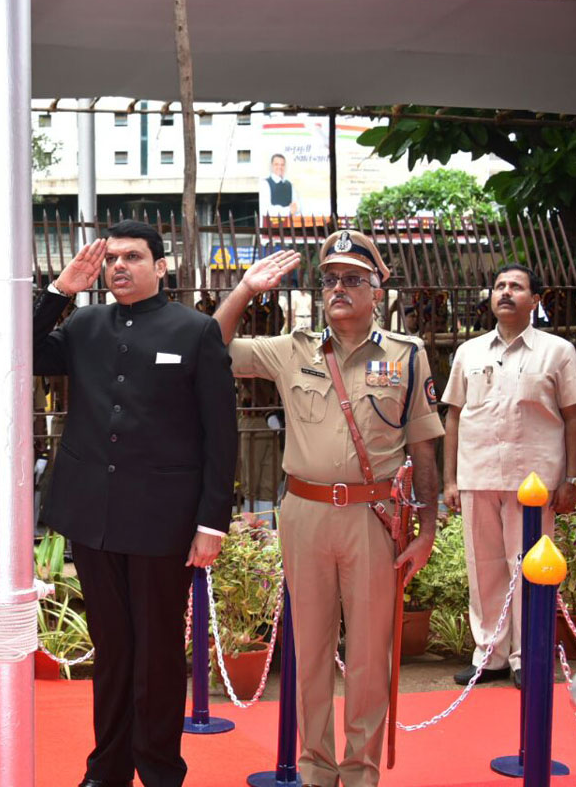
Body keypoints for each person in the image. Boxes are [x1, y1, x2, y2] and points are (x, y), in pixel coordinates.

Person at [213, 230, 443, 787]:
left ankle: (361, 773)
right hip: (306, 514)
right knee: (310, 652)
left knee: (367, 656)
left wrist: (427, 530)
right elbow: (212, 347)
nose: (338, 288)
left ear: (376, 290)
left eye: (352, 280)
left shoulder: (406, 355)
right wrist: (245, 289)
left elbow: (423, 448)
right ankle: (316, 769)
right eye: (330, 279)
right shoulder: (293, 349)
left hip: (373, 519)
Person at [33, 220, 238, 787]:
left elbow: (220, 435)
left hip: (162, 519)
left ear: (161, 266)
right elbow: (22, 350)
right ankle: (108, 768)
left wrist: (212, 522)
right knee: (113, 649)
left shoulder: (195, 331)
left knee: (158, 653)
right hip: (92, 516)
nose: (119, 266)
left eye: (133, 256)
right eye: (112, 258)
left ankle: (161, 770)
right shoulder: (85, 324)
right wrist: (60, 292)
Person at [442, 264, 576, 688]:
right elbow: (454, 416)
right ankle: (490, 656)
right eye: (499, 286)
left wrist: (572, 479)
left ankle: (527, 656)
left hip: (534, 484)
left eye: (516, 287)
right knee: (483, 568)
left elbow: (574, 417)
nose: (505, 292)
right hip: (478, 474)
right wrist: (450, 480)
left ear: (535, 299)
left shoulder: (557, 351)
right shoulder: (469, 352)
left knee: (527, 570)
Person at [259, 153, 301, 217]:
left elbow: (297, 206)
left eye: (282, 165)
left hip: (288, 222)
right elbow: (266, 210)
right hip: (272, 223)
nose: (280, 167)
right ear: (272, 166)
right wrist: (288, 210)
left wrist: (295, 208)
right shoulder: (265, 183)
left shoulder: (290, 185)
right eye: (276, 164)